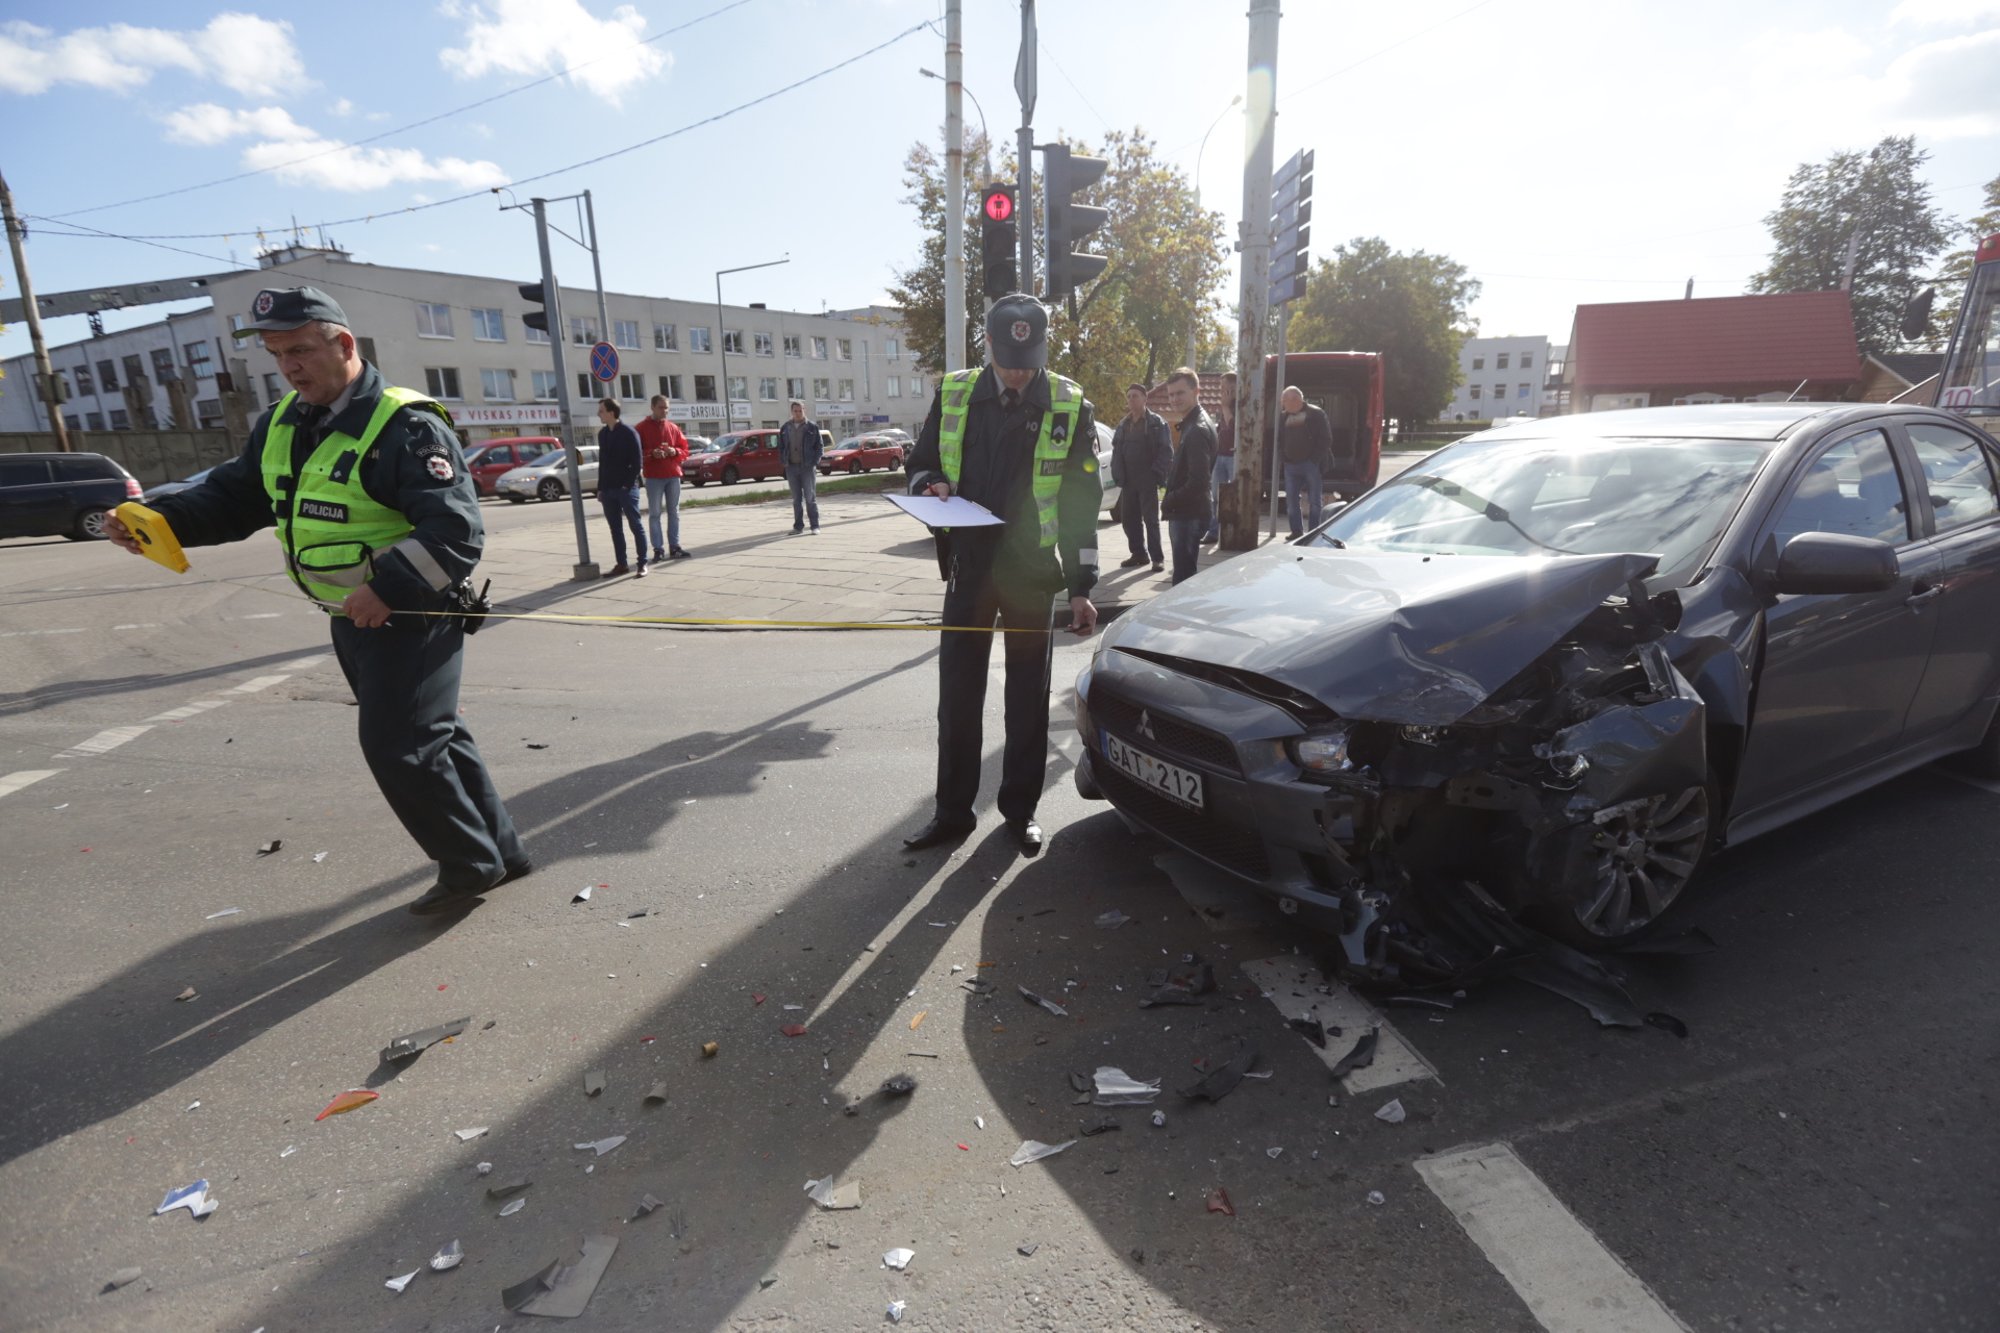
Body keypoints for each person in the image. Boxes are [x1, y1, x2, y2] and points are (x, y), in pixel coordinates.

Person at [102, 286, 529, 916]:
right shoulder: (283, 423)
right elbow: (232, 498)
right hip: (350, 616)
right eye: (277, 355)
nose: (289, 366)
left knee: (399, 745)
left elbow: (456, 531)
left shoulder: (404, 424)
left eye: (301, 349)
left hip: (410, 613)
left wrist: (388, 590)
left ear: (344, 344)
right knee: (432, 736)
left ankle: (470, 864)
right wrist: (154, 522)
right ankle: (503, 852)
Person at [901, 293, 1101, 857]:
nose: (1019, 372)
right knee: (957, 696)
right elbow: (920, 463)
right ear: (987, 343)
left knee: (1027, 702)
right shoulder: (957, 391)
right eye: (1009, 359)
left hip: (1033, 574)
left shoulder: (1068, 403)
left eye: (1030, 358)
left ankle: (1020, 811)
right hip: (970, 567)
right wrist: (927, 485)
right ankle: (952, 812)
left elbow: (1080, 503)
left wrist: (1084, 587)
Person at [1158, 368, 1216, 586]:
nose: (1174, 399)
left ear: (1196, 391)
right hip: (1189, 510)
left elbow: (1198, 482)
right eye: (1171, 394)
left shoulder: (1197, 429)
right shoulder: (1194, 423)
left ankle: (1180, 620)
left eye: (1180, 393)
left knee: (1182, 580)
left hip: (1188, 513)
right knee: (1184, 575)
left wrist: (1170, 499)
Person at [1110, 383, 1171, 571]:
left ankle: (1157, 558)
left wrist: (1155, 474)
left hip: (1148, 479)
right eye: (1129, 396)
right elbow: (1116, 451)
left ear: (1145, 399)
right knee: (1129, 520)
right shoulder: (1123, 424)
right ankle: (1139, 554)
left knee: (1151, 520)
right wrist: (1117, 474)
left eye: (1135, 396)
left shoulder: (1156, 423)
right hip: (1128, 480)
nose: (1131, 399)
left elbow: (1166, 451)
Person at [638, 393, 691, 561]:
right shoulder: (641, 428)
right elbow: (636, 453)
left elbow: (685, 450)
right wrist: (651, 453)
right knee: (654, 514)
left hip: (673, 475)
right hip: (654, 477)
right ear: (652, 407)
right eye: (661, 407)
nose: (665, 411)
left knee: (674, 512)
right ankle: (658, 549)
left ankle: (674, 547)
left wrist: (674, 451)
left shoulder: (673, 428)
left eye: (667, 407)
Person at [1278, 385, 1334, 538]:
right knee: (1291, 501)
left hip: (1311, 465)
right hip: (1290, 465)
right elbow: (1280, 439)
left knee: (1315, 501)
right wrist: (1285, 458)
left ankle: (1314, 532)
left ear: (1295, 400)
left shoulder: (1316, 414)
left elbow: (1326, 439)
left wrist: (1313, 460)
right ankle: (1296, 531)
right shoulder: (1283, 416)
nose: (1282, 404)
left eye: (1284, 401)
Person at [778, 400, 823, 534]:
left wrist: (815, 462)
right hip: (791, 467)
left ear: (804, 410)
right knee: (796, 499)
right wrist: (783, 460)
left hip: (807, 467)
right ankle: (798, 526)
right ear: (791, 412)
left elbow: (819, 447)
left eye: (800, 410)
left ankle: (815, 526)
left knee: (810, 498)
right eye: (795, 411)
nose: (797, 413)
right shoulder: (786, 427)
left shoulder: (812, 427)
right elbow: (781, 447)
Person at [1203, 371, 1236, 544]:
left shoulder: (1238, 405)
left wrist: (1226, 406)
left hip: (1233, 456)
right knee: (1215, 496)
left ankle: (1231, 532)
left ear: (1233, 387)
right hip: (1220, 456)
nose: (1221, 389)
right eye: (1220, 386)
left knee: (1233, 495)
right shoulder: (1223, 406)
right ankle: (1213, 531)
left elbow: (1233, 426)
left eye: (1224, 386)